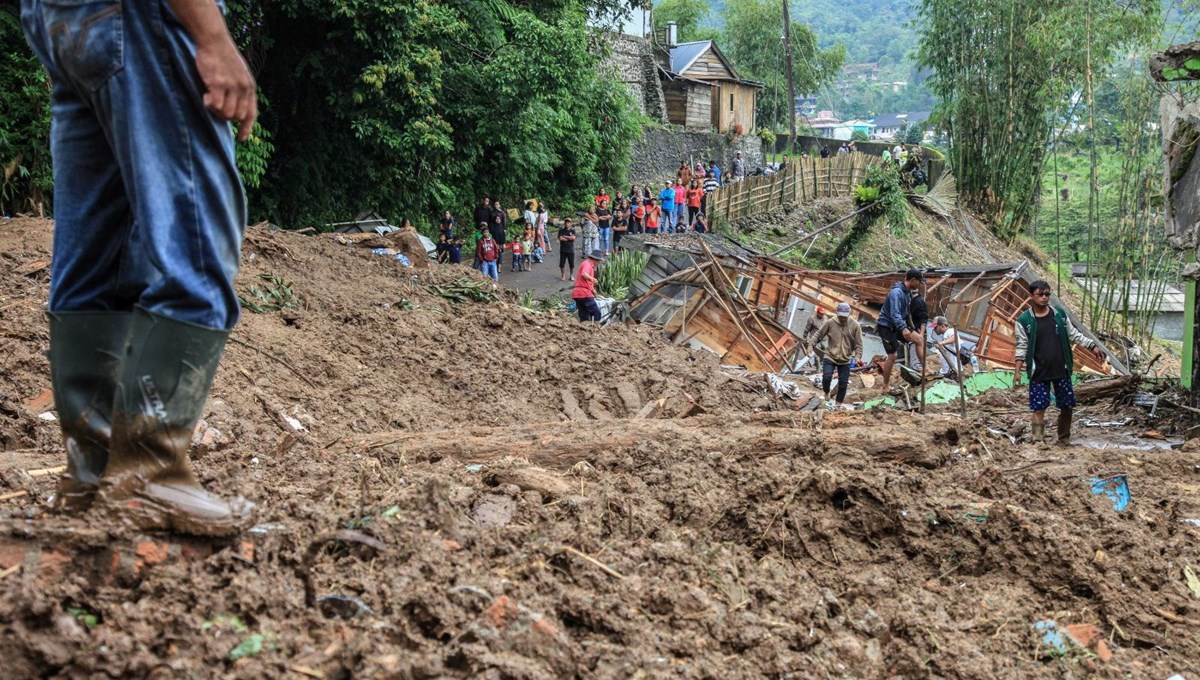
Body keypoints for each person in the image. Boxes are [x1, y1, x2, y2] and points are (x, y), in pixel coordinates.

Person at [21, 0, 258, 533]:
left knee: (95, 258)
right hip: (140, 18)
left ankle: (95, 475)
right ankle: (149, 473)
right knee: (196, 245)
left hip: (62, 21)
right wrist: (212, 36)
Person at [1015, 280, 1105, 445]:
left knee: (1067, 405)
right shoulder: (1024, 321)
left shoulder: (1059, 315)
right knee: (1038, 407)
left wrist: (1092, 346)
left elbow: (1074, 335)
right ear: (1031, 296)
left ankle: (1064, 438)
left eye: (1047, 294)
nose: (1044, 298)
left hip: (1061, 368)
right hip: (1038, 372)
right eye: (1040, 294)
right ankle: (1037, 440)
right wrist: (1017, 372)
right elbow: (1021, 346)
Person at [876, 269, 925, 396]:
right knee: (892, 356)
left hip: (898, 325)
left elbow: (906, 314)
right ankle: (885, 386)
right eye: (919, 282)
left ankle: (926, 369)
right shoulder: (896, 293)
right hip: (886, 326)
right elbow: (894, 314)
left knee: (919, 339)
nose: (920, 285)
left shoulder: (907, 293)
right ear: (913, 280)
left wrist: (912, 328)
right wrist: (903, 329)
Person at [811, 302, 863, 411]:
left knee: (843, 384)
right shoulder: (830, 323)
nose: (842, 319)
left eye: (844, 317)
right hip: (830, 355)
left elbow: (859, 344)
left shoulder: (855, 326)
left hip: (845, 359)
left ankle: (838, 406)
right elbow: (818, 335)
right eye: (840, 316)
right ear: (837, 314)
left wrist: (858, 356)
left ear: (848, 315)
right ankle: (826, 392)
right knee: (826, 377)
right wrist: (810, 346)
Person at [573, 250, 606, 322]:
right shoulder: (587, 264)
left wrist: (593, 291)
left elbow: (586, 282)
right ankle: (595, 329)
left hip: (577, 293)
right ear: (595, 259)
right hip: (584, 293)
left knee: (584, 315)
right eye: (599, 261)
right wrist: (592, 279)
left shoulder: (588, 265)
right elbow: (584, 274)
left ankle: (584, 329)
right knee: (596, 313)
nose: (599, 263)